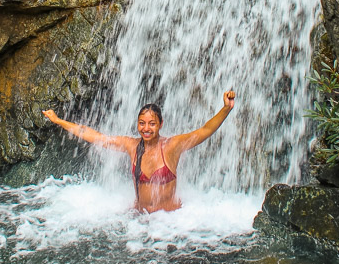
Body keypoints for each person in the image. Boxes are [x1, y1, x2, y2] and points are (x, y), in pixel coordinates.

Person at [42, 91, 236, 213]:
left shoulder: (172, 146)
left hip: (173, 225)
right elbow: (95, 136)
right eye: (142, 123)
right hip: (141, 225)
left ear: (160, 124)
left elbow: (205, 130)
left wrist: (225, 109)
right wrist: (59, 121)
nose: (146, 128)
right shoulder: (132, 146)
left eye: (152, 124)